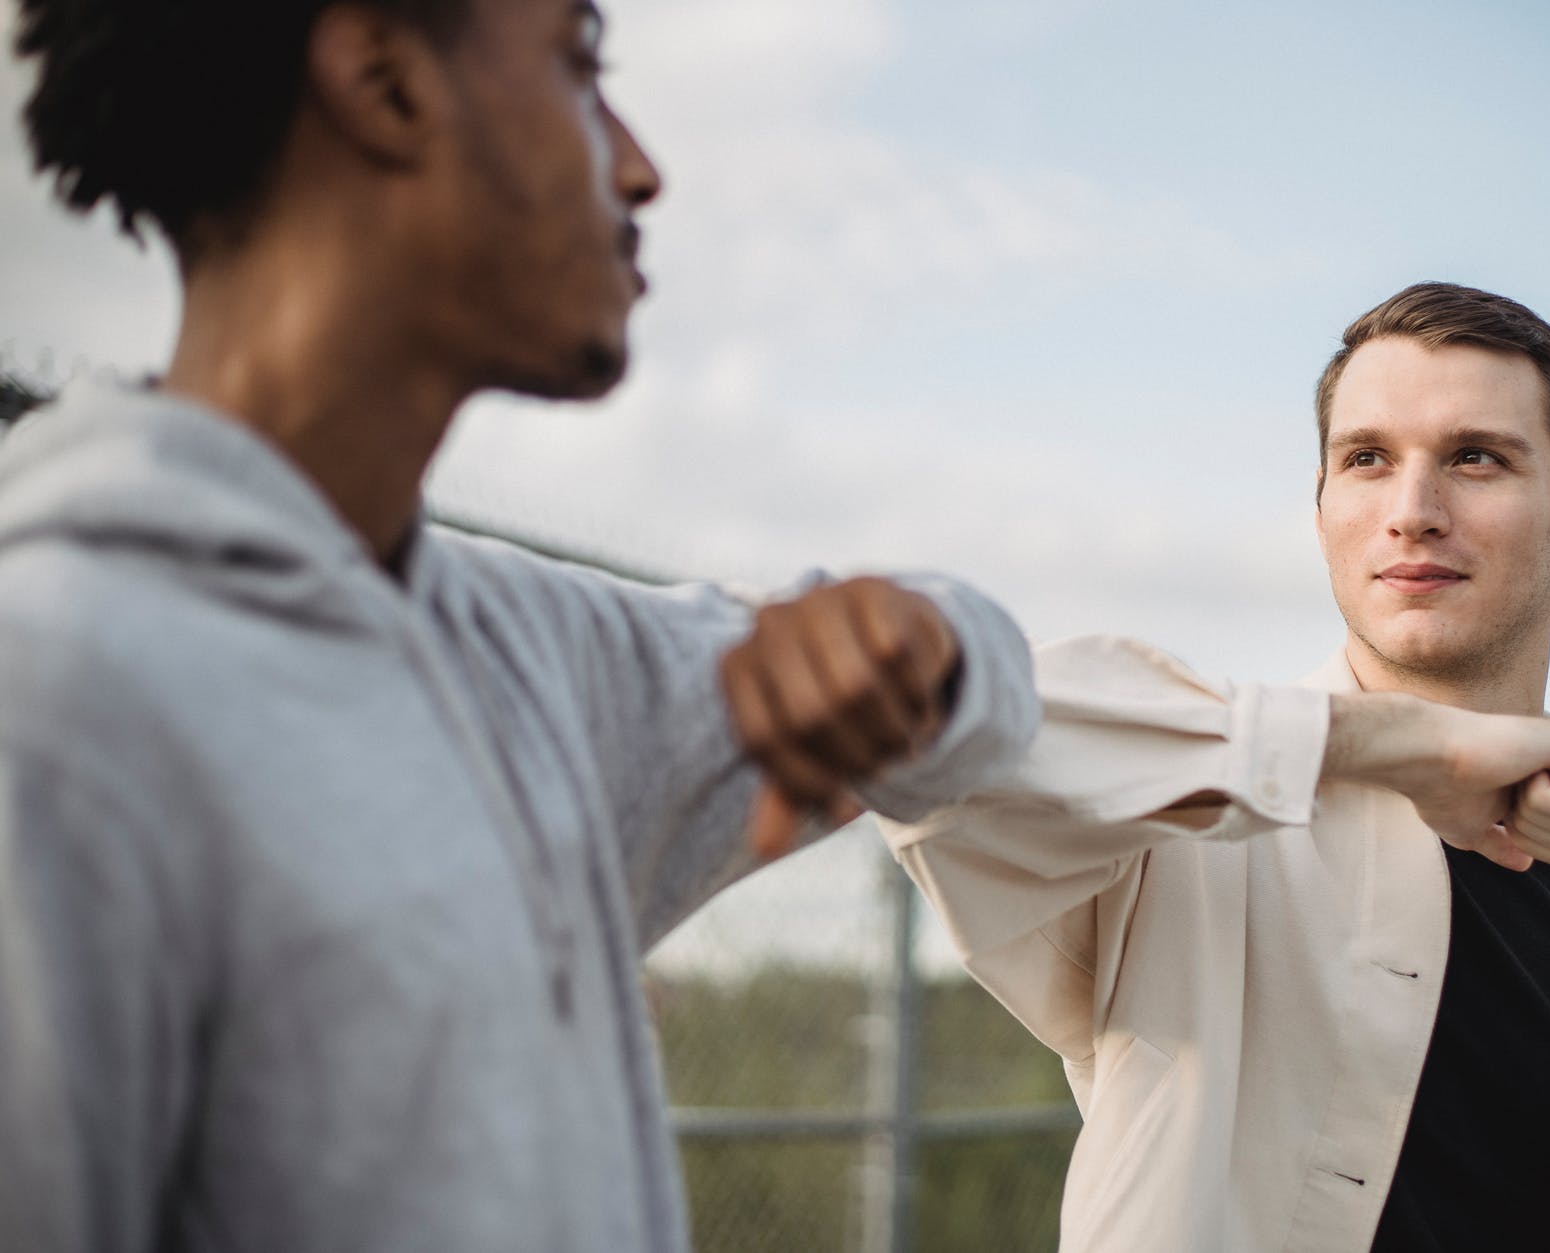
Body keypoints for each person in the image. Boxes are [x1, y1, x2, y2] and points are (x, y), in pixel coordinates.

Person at [0, 1, 1045, 1250]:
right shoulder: (56, 695)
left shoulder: (526, 647)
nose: (639, 164)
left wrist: (912, 638)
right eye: (579, 65)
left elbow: (971, 715)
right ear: (382, 82)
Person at [887, 282, 1550, 1252]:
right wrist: (1391, 745)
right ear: (1322, 503)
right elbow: (924, 736)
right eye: (1366, 458)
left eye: (1474, 457)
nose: (1411, 510)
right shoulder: (1184, 834)